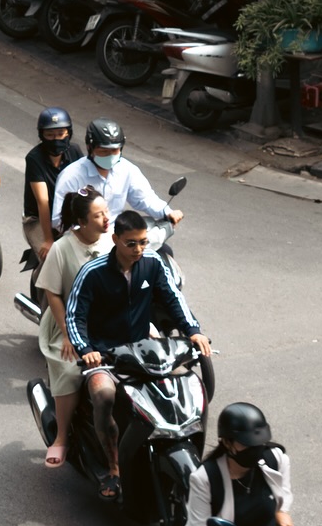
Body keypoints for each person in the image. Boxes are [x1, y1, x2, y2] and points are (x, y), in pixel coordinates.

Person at [63, 210, 211, 503]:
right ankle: (114, 469)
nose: (139, 249)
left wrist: (193, 331)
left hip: (144, 350)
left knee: (178, 389)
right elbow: (74, 315)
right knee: (104, 395)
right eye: (131, 243)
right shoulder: (92, 272)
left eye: (143, 242)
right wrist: (87, 350)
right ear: (115, 239)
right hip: (105, 354)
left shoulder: (152, 264)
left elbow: (172, 298)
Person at [34, 191, 111, 468]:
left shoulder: (111, 243)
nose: (106, 219)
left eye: (106, 211)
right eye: (98, 215)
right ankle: (62, 436)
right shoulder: (62, 248)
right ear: (81, 220)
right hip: (68, 324)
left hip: (106, 322)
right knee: (69, 370)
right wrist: (68, 334)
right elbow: (52, 294)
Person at [52, 119, 184, 231]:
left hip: (117, 237)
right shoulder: (71, 176)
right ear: (89, 148)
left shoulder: (127, 170)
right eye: (103, 151)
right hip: (84, 239)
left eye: (114, 151)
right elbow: (58, 220)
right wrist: (87, 233)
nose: (110, 156)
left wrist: (167, 211)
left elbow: (145, 198)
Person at [23, 105, 75, 264]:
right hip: (39, 219)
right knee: (50, 261)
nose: (56, 139)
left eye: (61, 134)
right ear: (42, 135)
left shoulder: (74, 152)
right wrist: (48, 239)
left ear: (68, 133)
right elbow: (43, 202)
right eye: (50, 135)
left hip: (69, 216)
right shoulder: (34, 158)